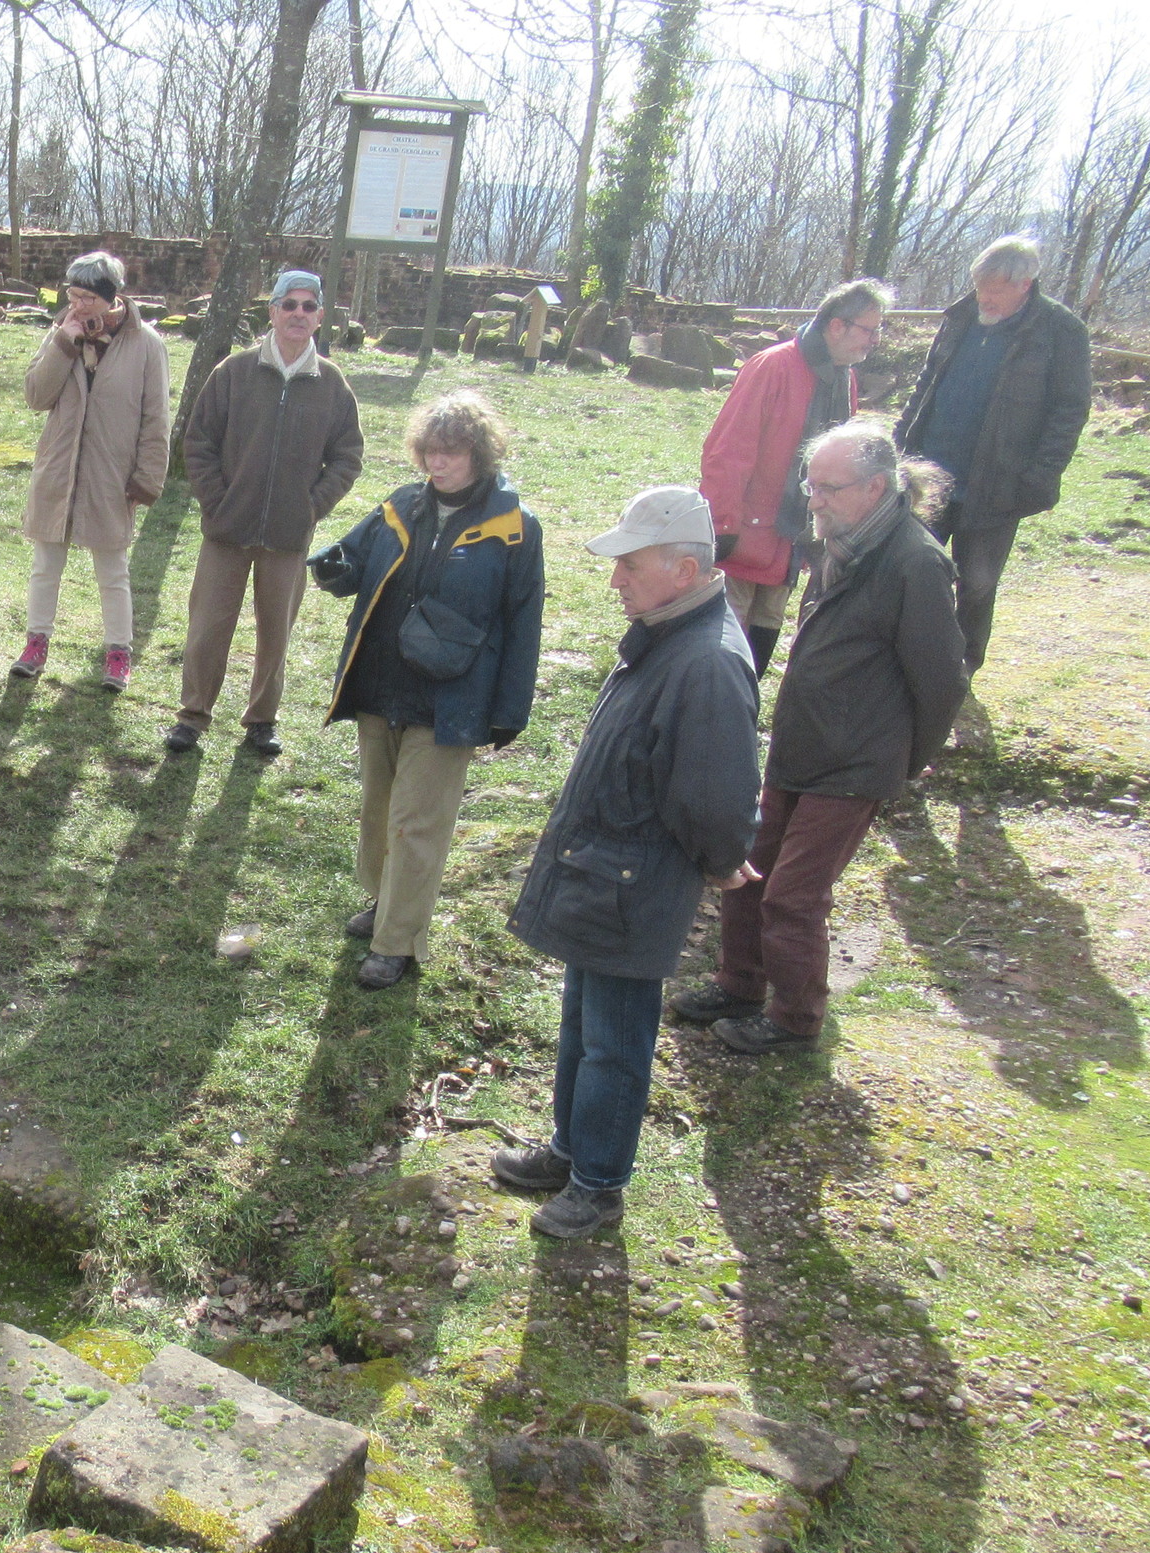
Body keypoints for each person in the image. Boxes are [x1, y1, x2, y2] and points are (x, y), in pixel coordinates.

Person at [496, 488, 762, 1240]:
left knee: (616, 1040)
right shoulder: (667, 632)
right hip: (605, 872)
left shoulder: (706, 663)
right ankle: (570, 1150)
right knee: (584, 1022)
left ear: (684, 570)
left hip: (634, 883)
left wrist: (723, 859)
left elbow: (715, 795)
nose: (616, 581)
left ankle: (599, 1184)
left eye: (631, 566)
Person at [672, 422, 969, 1054]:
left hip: (856, 762)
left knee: (794, 896)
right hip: (801, 743)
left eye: (829, 488)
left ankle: (795, 1018)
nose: (815, 500)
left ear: (877, 487)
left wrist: (904, 763)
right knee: (749, 873)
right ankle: (740, 984)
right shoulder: (840, 542)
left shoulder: (915, 563)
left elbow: (943, 680)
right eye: (811, 486)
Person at [310, 389, 545, 990]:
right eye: (430, 451)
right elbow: (353, 560)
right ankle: (383, 902)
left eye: (452, 452)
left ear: (480, 453)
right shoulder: (400, 506)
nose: (437, 463)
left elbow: (524, 622)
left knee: (418, 824)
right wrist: (332, 567)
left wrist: (509, 709)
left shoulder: (515, 528)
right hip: (380, 684)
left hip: (450, 700)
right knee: (377, 812)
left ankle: (397, 941)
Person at [166, 268, 364, 758]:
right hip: (227, 530)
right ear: (272, 312)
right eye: (289, 304)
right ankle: (192, 716)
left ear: (320, 317)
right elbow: (199, 442)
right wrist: (218, 502)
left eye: (308, 306)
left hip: (288, 536)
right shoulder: (233, 372)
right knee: (207, 628)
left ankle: (261, 720)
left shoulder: (332, 384)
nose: (298, 314)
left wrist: (311, 507)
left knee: (276, 634)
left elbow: (348, 456)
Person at [892, 234, 1091, 672]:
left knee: (978, 583)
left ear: (1025, 285)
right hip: (930, 472)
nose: (985, 297)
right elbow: (927, 382)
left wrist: (1040, 476)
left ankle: (960, 669)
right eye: (980, 285)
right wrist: (901, 441)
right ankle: (903, 661)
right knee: (912, 570)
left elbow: (1070, 410)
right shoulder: (960, 317)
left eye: (996, 289)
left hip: (998, 480)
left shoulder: (1061, 331)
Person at [700, 278, 890, 676]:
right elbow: (728, 450)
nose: (875, 340)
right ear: (837, 325)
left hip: (794, 534)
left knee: (767, 627)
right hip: (745, 532)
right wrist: (722, 524)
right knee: (724, 637)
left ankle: (744, 703)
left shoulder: (844, 378)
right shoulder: (773, 366)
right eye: (869, 330)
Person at [16, 250, 171, 692]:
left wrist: (147, 479)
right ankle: (35, 645)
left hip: (112, 474)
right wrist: (63, 343)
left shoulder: (147, 345)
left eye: (88, 298)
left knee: (112, 571)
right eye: (73, 295)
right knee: (45, 565)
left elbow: (156, 419)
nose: (78, 305)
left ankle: (118, 654)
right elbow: (36, 396)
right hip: (59, 468)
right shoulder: (61, 332)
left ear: (111, 296)